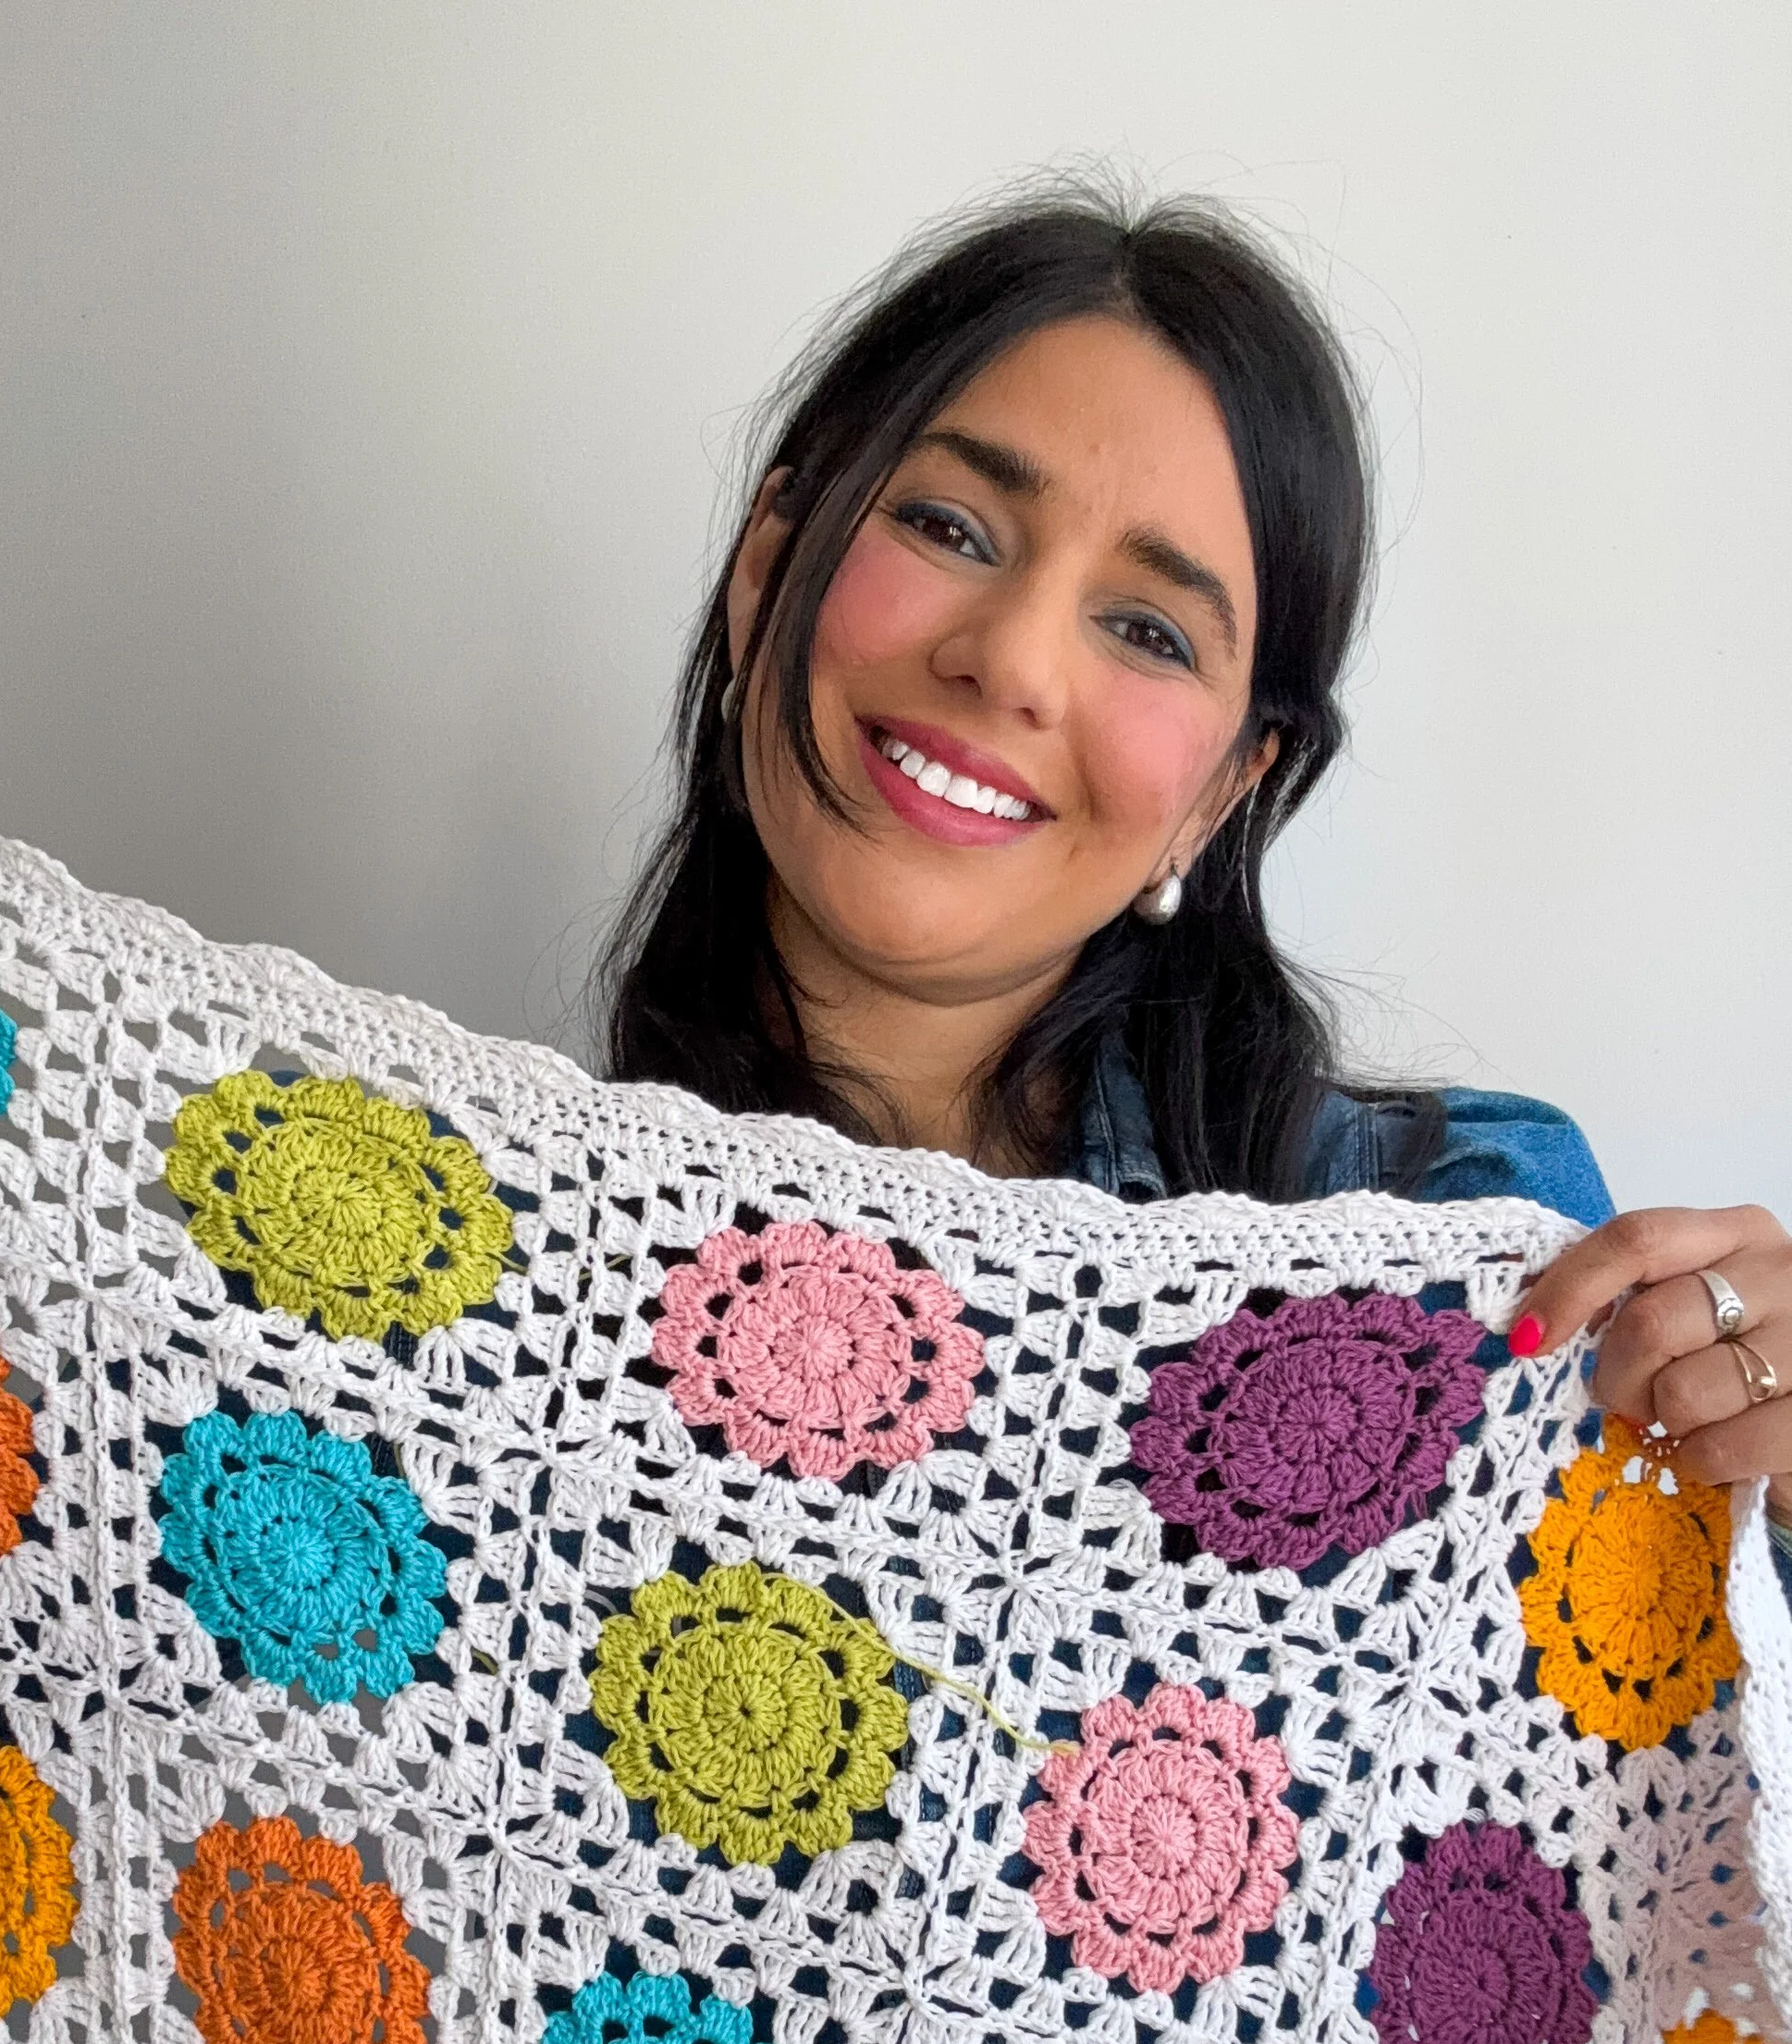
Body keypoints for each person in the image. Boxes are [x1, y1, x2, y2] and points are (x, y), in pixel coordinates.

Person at [598, 191, 1792, 1572]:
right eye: (950, 527)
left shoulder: (1463, 1246)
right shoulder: (473, 1287)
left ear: (1224, 791)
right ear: (767, 565)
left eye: (1149, 631)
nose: (1015, 662)